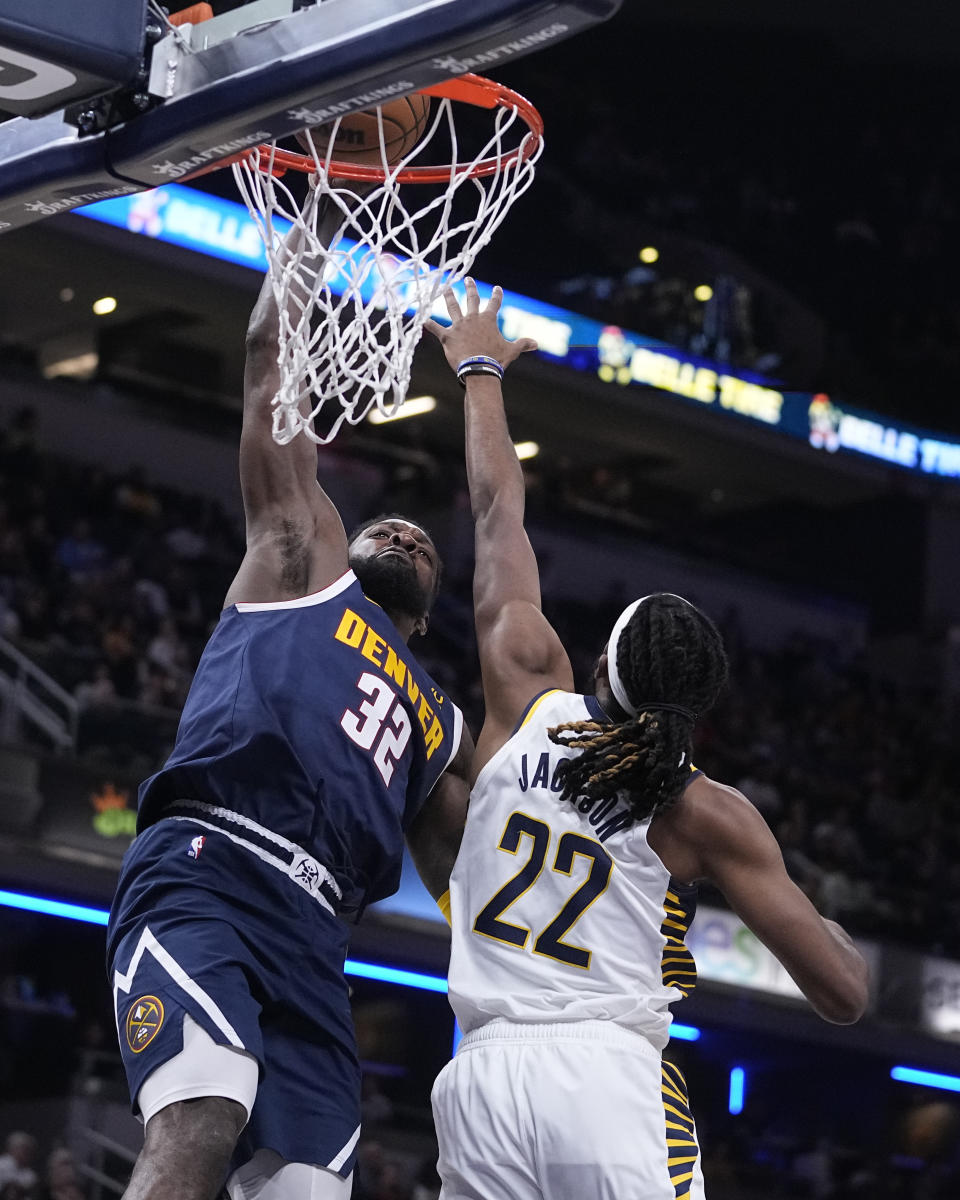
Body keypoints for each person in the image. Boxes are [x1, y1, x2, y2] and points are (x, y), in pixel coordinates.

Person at [424, 280, 869, 1200]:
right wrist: (818, 921)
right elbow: (844, 994)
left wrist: (480, 373)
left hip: (479, 1075)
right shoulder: (703, 809)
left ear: (601, 666)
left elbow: (498, 513)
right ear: (695, 711)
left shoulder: (524, 690)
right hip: (605, 1080)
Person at [106, 200, 472, 1200]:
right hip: (210, 869)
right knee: (201, 1113)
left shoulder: (439, 720)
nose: (408, 536)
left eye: (427, 546)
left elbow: (471, 881)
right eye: (390, 526)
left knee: (309, 1191)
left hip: (319, 940)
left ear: (431, 618)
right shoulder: (300, 559)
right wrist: (308, 229)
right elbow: (270, 366)